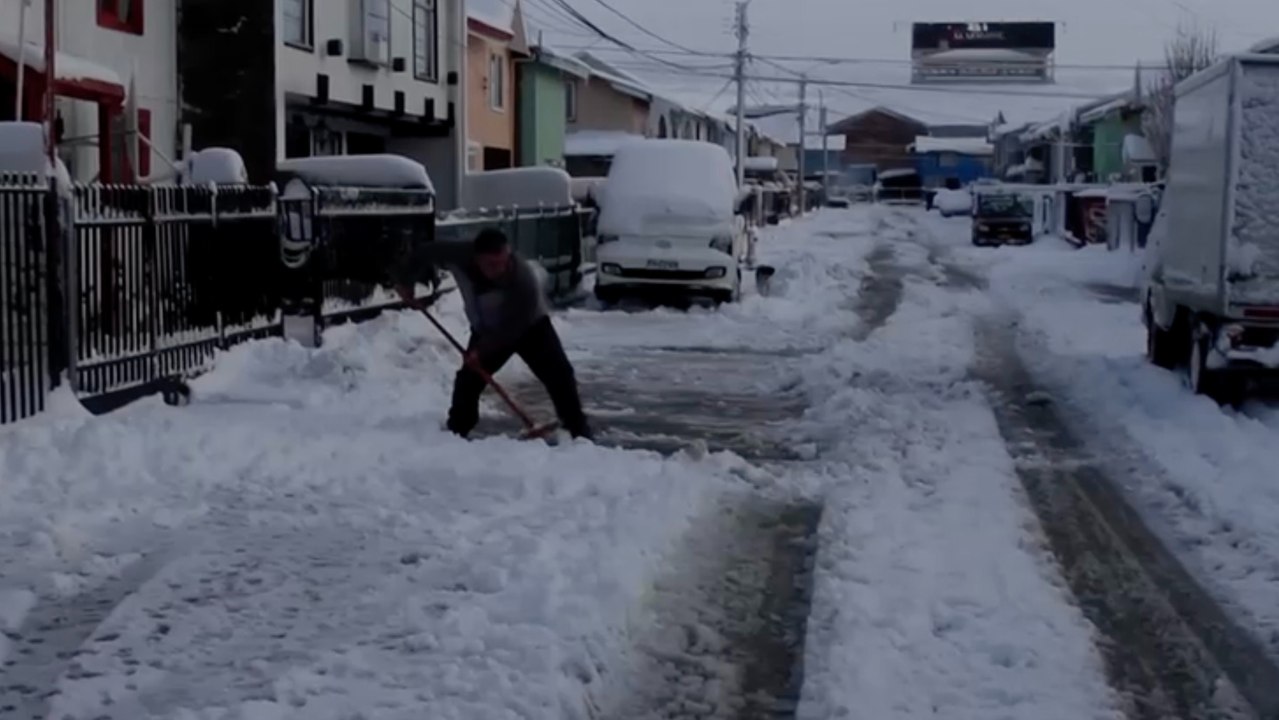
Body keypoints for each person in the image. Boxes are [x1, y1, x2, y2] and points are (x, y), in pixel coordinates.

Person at [394, 228, 593, 440]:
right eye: (491, 264)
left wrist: (481, 351)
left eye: (503, 262)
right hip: (486, 327)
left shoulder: (523, 279)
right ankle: (456, 433)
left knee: (560, 375)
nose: (499, 269)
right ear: (476, 259)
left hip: (530, 327)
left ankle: (578, 433)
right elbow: (424, 253)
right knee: (468, 381)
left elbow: (511, 329)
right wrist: (406, 282)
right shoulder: (458, 254)